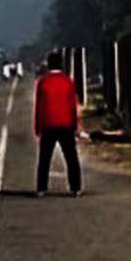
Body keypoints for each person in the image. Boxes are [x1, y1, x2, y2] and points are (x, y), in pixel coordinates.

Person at [35, 50, 82, 197]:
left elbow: (39, 107)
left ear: (48, 65)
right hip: (66, 124)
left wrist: (38, 127)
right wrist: (75, 126)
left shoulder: (43, 82)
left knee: (44, 158)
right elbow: (72, 106)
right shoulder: (68, 81)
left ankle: (41, 188)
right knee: (71, 158)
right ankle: (76, 187)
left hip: (48, 124)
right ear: (61, 64)